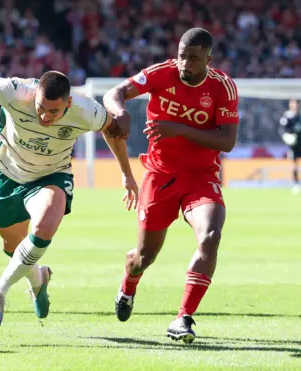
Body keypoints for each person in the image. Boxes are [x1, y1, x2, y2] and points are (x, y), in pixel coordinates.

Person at [0, 67, 136, 332]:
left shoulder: (87, 111)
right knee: (13, 247)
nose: (45, 116)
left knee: (43, 228)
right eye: (41, 107)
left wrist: (126, 173)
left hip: (52, 176)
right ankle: (39, 278)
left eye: (54, 111)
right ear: (35, 96)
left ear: (69, 103)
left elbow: (113, 130)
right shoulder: (17, 92)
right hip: (10, 175)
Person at [103, 28, 239, 344]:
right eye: (181, 56)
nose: (184, 64)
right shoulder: (161, 73)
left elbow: (227, 141)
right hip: (160, 176)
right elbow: (114, 93)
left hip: (201, 177)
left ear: (208, 58)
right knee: (144, 257)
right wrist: (120, 112)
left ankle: (183, 318)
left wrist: (176, 128)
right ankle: (128, 283)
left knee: (210, 236)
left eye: (193, 58)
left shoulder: (223, 88)